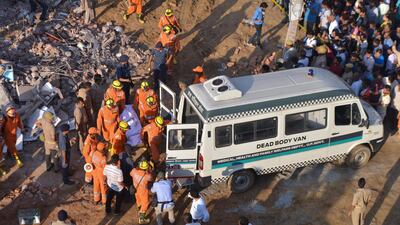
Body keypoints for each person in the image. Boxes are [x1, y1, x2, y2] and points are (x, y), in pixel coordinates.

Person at [130, 159, 153, 224]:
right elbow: (151, 179)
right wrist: (149, 171)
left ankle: (139, 210)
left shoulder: (134, 171)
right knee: (145, 204)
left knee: (138, 201)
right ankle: (142, 219)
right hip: (143, 192)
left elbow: (131, 173)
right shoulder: (147, 176)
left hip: (136, 191)